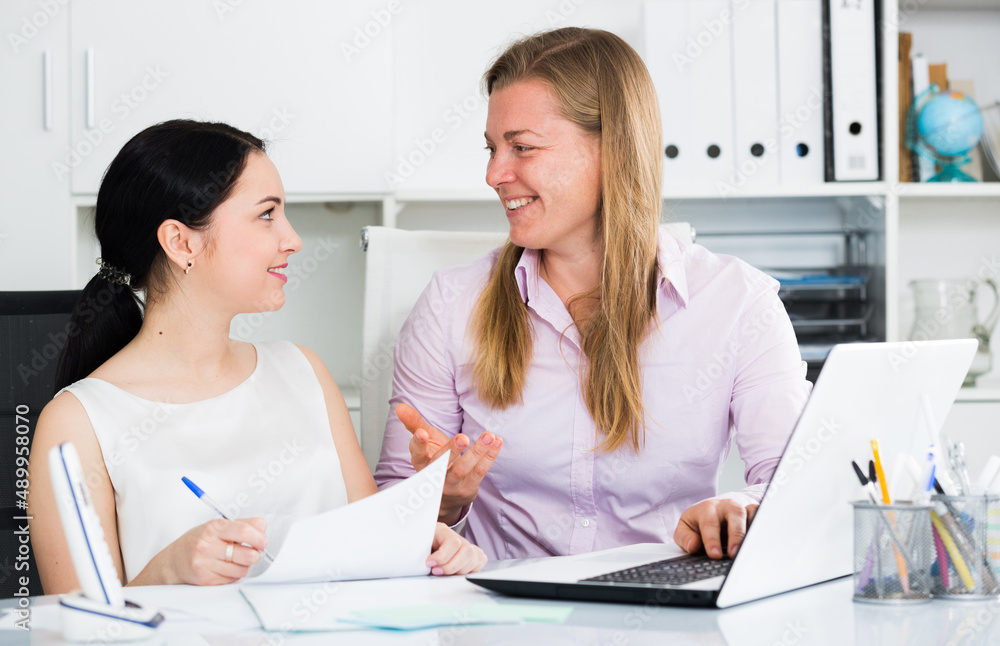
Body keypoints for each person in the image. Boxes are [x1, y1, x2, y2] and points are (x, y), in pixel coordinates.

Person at [375, 28, 811, 562]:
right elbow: (388, 517)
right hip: (500, 618)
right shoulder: (450, 305)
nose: (494, 174)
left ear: (615, 150)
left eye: (523, 147)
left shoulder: (737, 304)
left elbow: (800, 489)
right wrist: (440, 504)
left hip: (663, 613)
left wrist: (741, 507)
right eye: (492, 149)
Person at [28, 120, 485, 592]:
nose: (293, 239)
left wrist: (429, 541)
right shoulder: (77, 421)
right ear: (181, 242)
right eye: (267, 214)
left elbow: (371, 557)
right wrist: (168, 572)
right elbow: (76, 633)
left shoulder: (304, 371)